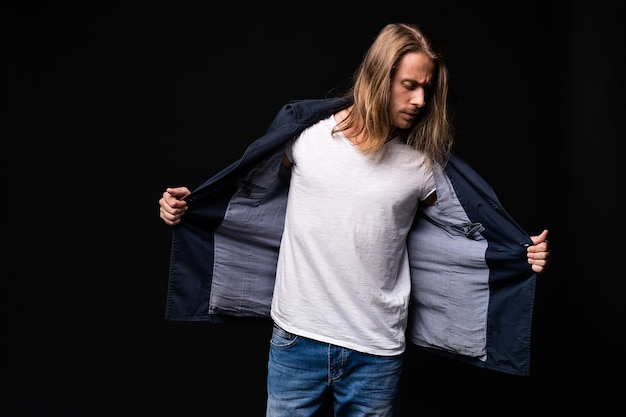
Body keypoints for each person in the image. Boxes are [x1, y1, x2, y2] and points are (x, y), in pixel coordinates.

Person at [158, 23, 551, 417]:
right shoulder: (306, 137)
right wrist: (187, 209)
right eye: (408, 85)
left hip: (377, 353)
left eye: (427, 90)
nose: (419, 100)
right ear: (379, 78)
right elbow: (247, 193)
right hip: (297, 340)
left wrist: (520, 253)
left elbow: (467, 233)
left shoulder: (422, 166)